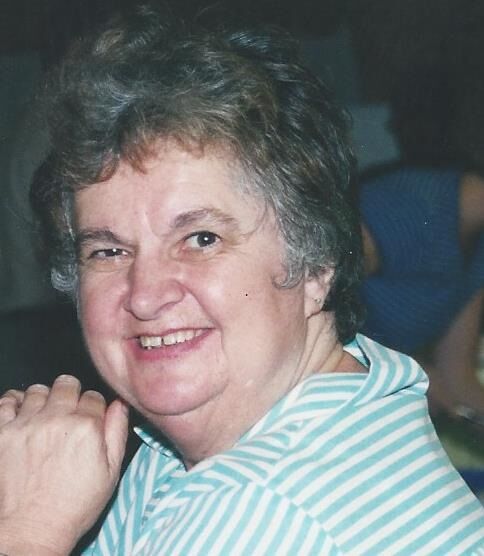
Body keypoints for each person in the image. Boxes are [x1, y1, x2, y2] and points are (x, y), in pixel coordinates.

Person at [1, 6, 483, 555]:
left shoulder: (262, 507)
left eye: (201, 239)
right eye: (108, 251)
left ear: (315, 264)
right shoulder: (327, 407)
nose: (145, 295)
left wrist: (30, 526)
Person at [358, 66, 484, 422]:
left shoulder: (477, 245)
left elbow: (457, 378)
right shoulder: (411, 204)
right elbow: (308, 301)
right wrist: (406, 369)